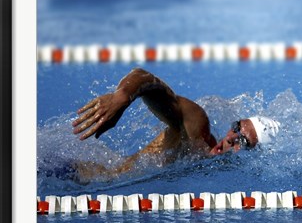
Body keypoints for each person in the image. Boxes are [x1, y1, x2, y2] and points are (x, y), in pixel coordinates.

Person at [72, 68, 280, 177]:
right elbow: (143, 76)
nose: (231, 138)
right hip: (77, 175)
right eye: (236, 127)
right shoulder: (197, 130)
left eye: (242, 142)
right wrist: (123, 97)